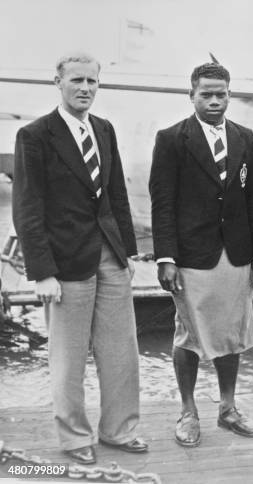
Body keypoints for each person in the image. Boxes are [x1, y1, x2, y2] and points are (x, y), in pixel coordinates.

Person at [12, 53, 147, 464]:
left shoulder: (104, 130)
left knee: (121, 351)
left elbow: (116, 196)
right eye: (76, 80)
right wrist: (43, 272)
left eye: (92, 81)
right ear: (58, 82)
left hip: (110, 256)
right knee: (68, 358)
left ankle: (119, 430)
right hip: (65, 263)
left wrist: (129, 252)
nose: (85, 88)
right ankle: (74, 439)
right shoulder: (35, 136)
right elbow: (27, 208)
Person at [149, 62, 253, 446]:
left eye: (222, 94)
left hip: (235, 254)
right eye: (207, 94)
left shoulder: (245, 138)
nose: (215, 101)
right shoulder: (171, 139)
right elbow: (162, 202)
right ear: (192, 96)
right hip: (191, 255)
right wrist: (165, 256)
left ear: (230, 95)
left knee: (231, 332)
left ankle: (228, 407)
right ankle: (188, 410)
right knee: (188, 335)